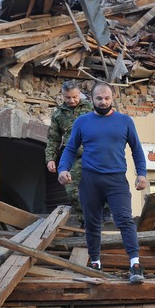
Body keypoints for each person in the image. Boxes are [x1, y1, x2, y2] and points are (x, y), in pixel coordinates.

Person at [58, 81, 148, 283]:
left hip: (116, 180)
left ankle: (135, 264)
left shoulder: (125, 121)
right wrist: (63, 169)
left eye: (107, 98)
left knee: (125, 220)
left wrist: (141, 174)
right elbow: (71, 148)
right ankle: (95, 263)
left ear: (113, 98)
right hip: (90, 180)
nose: (103, 101)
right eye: (99, 98)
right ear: (91, 99)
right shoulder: (82, 122)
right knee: (92, 223)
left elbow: (136, 150)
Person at [46, 80, 93, 224]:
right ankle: (84, 221)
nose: (72, 100)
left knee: (101, 186)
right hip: (73, 157)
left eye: (75, 97)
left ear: (79, 94)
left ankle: (105, 217)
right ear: (62, 96)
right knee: (72, 190)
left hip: (94, 155)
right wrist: (50, 158)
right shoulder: (58, 114)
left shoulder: (91, 109)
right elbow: (53, 139)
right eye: (68, 97)